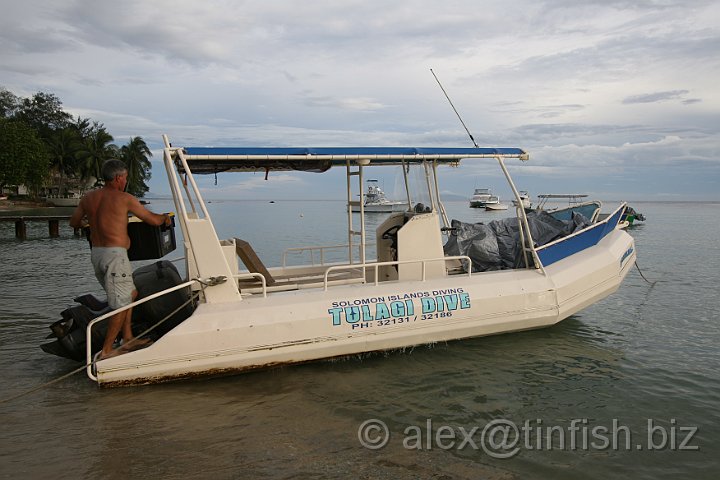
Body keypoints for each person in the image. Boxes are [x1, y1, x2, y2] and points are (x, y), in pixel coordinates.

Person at [70, 159, 171, 361]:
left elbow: (74, 222)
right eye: (125, 177)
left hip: (97, 254)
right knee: (121, 304)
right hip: (115, 256)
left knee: (130, 293)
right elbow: (151, 220)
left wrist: (92, 224)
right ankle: (107, 351)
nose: (125, 181)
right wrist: (165, 218)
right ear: (118, 178)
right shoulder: (124, 198)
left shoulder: (89, 198)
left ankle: (128, 338)